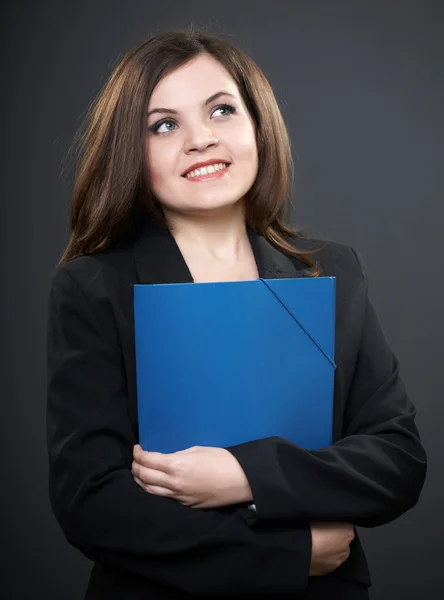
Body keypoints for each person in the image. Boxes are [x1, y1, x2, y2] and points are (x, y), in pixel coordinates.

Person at [46, 26, 427, 599]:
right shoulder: (93, 286)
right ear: (132, 149)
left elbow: (395, 460)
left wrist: (244, 473)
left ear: (257, 125)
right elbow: (92, 501)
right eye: (165, 125)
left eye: (221, 110)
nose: (200, 139)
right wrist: (289, 553)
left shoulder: (333, 272)